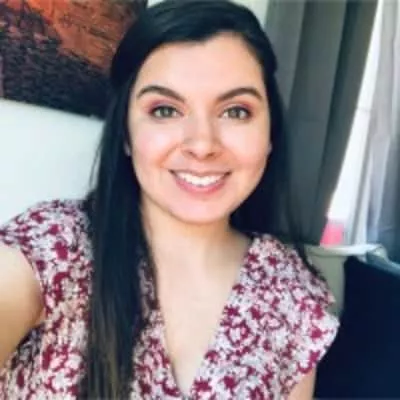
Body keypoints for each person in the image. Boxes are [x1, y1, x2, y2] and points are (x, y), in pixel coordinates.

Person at [0, 1, 339, 398]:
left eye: (235, 111)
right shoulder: (55, 248)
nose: (202, 144)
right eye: (164, 110)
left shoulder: (291, 294)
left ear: (269, 136)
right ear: (126, 135)